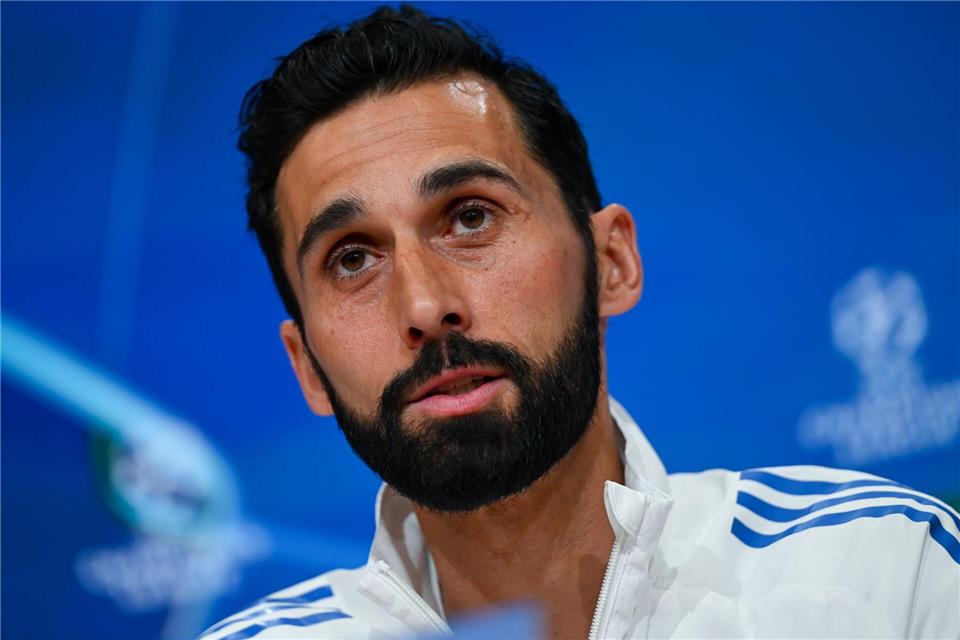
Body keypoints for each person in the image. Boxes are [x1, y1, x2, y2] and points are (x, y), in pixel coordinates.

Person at [199, 5, 959, 639]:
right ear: (307, 368)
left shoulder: (883, 575)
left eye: (469, 217)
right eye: (353, 259)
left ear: (611, 263)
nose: (426, 307)